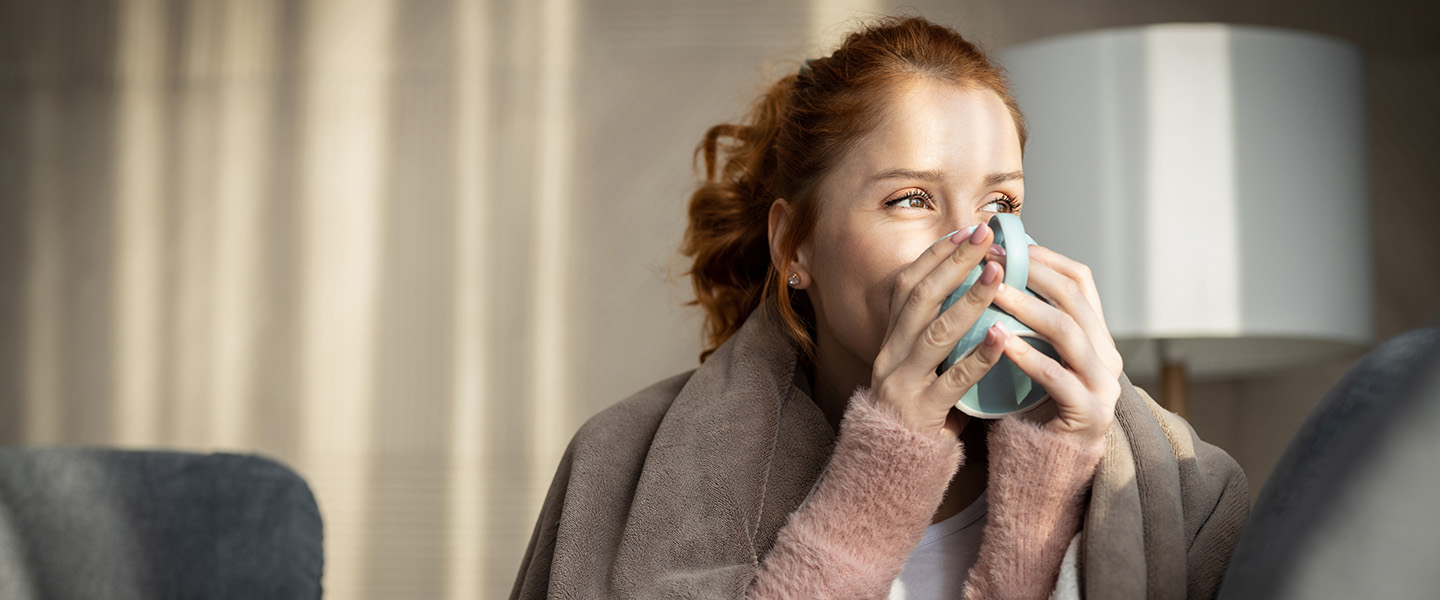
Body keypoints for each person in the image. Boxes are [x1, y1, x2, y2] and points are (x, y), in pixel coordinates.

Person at [512, 15, 1249, 600]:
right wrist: (883, 465)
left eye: (1002, 202)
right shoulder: (618, 469)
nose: (975, 242)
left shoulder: (1178, 485)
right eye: (911, 199)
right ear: (793, 246)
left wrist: (1057, 477)